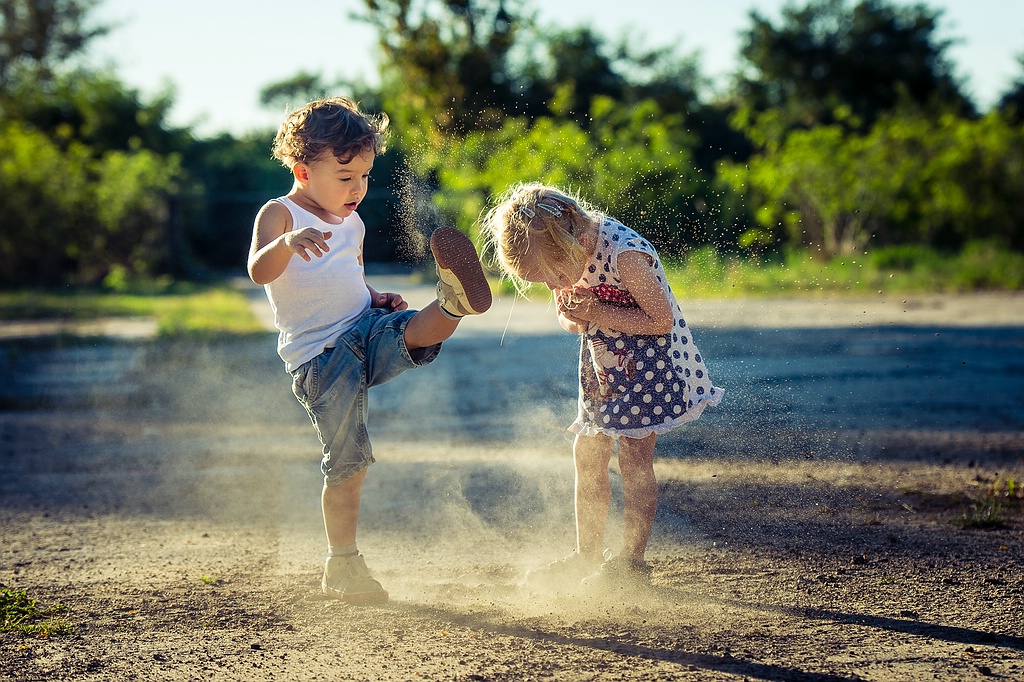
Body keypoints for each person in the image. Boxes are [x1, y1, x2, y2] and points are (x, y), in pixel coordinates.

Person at [247, 97, 492, 604]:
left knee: (411, 331)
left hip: (362, 326)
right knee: (349, 462)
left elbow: (345, 278)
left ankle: (453, 302)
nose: (356, 189)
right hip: (321, 358)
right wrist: (286, 245)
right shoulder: (280, 214)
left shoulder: (352, 222)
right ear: (302, 170)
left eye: (364, 176)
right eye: (344, 177)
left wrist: (374, 297)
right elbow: (258, 271)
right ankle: (343, 564)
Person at [481, 182, 722, 592]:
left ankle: (630, 566)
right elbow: (573, 321)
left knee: (633, 457)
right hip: (601, 367)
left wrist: (596, 309)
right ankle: (585, 557)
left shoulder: (624, 256)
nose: (553, 287)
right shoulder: (568, 259)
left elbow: (660, 321)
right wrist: (576, 316)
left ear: (570, 243)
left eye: (550, 276)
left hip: (648, 367)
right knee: (588, 453)